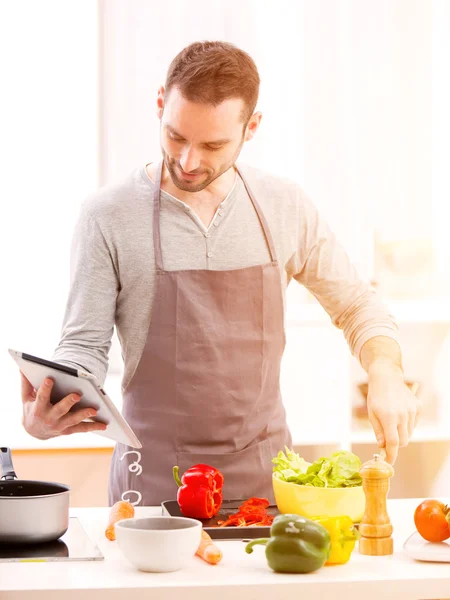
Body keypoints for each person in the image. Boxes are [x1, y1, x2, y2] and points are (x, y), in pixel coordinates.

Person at [20, 41, 422, 506]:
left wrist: (387, 373)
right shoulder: (107, 215)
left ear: (251, 128)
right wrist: (51, 404)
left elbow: (357, 305)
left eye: (212, 145)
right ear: (159, 104)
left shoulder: (283, 206)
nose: (189, 161)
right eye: (175, 137)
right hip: (153, 486)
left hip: (267, 482)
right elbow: (83, 347)